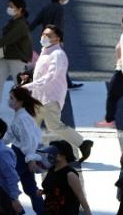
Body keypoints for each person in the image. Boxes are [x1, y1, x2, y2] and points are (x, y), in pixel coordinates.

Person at [21, 25, 93, 162]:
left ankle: (83, 144)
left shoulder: (58, 55)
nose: (44, 37)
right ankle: (27, 153)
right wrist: (28, 76)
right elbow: (40, 71)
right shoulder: (46, 50)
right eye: (43, 34)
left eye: (49, 35)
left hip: (50, 98)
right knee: (31, 124)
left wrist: (27, 87)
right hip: (39, 96)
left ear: (57, 38)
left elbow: (50, 77)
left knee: (53, 125)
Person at [2, 87, 44, 215]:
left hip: (21, 155)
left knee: (6, 184)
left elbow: (29, 139)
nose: (9, 101)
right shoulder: (21, 115)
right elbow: (11, 135)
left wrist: (31, 158)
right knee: (30, 187)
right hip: (23, 154)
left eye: (12, 98)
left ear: (20, 101)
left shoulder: (22, 118)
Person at [28, 0, 81, 90]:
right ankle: (34, 80)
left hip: (45, 38)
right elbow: (58, 25)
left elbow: (36, 22)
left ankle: (66, 82)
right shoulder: (59, 9)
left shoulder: (46, 7)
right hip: (54, 40)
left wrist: (25, 31)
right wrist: (60, 40)